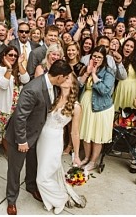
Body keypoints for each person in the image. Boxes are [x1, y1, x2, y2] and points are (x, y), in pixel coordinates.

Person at [5, 60, 72, 215]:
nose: (67, 80)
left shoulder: (54, 87)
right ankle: (11, 200)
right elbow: (20, 117)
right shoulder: (32, 89)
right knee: (15, 169)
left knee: (33, 164)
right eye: (66, 77)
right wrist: (22, 140)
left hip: (37, 134)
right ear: (60, 76)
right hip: (20, 135)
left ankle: (31, 186)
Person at [36, 74, 86, 214]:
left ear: (73, 84)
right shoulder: (53, 96)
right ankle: (50, 201)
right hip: (42, 138)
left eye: (68, 78)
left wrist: (76, 154)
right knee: (47, 173)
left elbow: (75, 132)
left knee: (42, 178)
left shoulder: (76, 106)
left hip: (54, 140)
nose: (65, 79)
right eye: (63, 77)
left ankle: (60, 198)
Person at [78, 46, 116, 173]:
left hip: (101, 108)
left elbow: (104, 91)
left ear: (104, 59)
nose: (96, 59)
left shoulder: (108, 72)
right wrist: (87, 72)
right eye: (94, 56)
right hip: (86, 105)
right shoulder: (86, 68)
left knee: (96, 135)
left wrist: (94, 74)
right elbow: (79, 85)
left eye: (99, 57)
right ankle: (87, 157)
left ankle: (93, 161)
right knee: (86, 134)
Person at [0, 46, 30, 157]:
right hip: (5, 106)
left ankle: (14, 151)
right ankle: (8, 152)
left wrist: (19, 64)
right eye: (11, 55)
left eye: (15, 55)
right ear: (4, 55)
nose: (13, 57)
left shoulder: (18, 68)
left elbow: (26, 79)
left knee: (16, 130)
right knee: (5, 132)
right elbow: (3, 85)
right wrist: (9, 68)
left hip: (18, 105)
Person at [113, 39, 136, 112]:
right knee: (118, 115)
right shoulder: (116, 58)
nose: (128, 48)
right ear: (123, 46)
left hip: (134, 89)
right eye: (127, 45)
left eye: (131, 47)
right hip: (120, 88)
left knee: (131, 117)